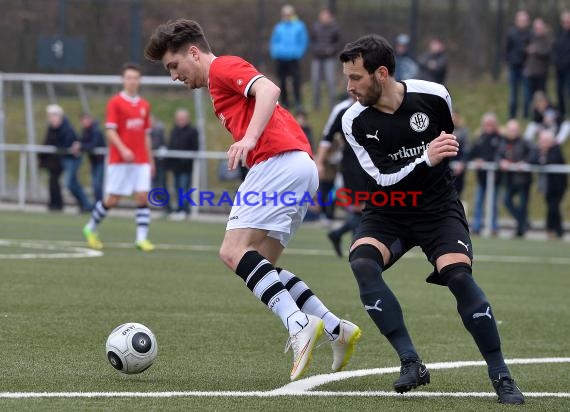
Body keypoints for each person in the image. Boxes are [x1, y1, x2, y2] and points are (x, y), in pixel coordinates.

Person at [144, 18, 361, 381]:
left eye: (174, 66)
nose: (174, 76)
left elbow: (270, 90)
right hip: (299, 166)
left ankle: (298, 324)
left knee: (231, 251)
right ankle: (337, 330)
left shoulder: (224, 67)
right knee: (261, 264)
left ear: (193, 53)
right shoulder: (215, 85)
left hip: (278, 161)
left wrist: (249, 138)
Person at [339, 34, 524, 404]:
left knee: (458, 275)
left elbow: (446, 150)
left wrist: (434, 159)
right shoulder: (354, 121)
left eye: (355, 78)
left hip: (438, 210)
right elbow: (383, 177)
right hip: (387, 210)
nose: (349, 87)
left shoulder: (434, 95)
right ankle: (410, 361)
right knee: (362, 262)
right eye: (347, 78)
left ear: (381, 74)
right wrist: (427, 159)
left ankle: (501, 375)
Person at [82, 63, 156, 252]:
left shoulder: (144, 105)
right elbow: (110, 131)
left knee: (142, 196)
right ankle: (90, 228)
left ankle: (141, 239)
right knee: (113, 199)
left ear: (139, 81)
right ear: (123, 80)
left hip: (141, 161)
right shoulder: (115, 103)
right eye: (128, 78)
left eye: (135, 78)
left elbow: (146, 134)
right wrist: (123, 149)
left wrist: (150, 159)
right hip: (120, 160)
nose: (132, 81)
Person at [315, 95, 369, 257]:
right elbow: (327, 137)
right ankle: (357, 249)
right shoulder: (343, 111)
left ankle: (339, 235)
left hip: (374, 166)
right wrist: (320, 162)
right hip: (353, 166)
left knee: (367, 208)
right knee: (363, 207)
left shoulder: (377, 106)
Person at [40, 104, 92, 213]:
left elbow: (67, 143)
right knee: (62, 182)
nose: (51, 118)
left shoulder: (66, 128)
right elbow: (49, 142)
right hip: (62, 158)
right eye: (50, 116)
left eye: (53, 115)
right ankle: (83, 205)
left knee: (70, 183)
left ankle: (86, 205)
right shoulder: (52, 129)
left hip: (72, 159)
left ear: (59, 116)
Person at [498, 119, 534, 237]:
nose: (512, 132)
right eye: (510, 130)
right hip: (510, 179)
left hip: (523, 180)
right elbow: (497, 155)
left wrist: (524, 163)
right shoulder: (503, 142)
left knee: (523, 206)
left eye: (514, 130)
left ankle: (521, 230)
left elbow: (534, 155)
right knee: (507, 201)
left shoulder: (525, 142)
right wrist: (501, 162)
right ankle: (523, 223)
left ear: (518, 130)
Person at [468, 112, 503, 236]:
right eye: (486, 124)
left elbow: (498, 155)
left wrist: (484, 160)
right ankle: (477, 226)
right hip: (481, 177)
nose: (488, 127)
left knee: (493, 203)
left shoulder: (499, 138)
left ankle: (493, 227)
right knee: (478, 202)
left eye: (490, 124)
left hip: (494, 178)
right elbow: (471, 152)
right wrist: (474, 160)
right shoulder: (479, 138)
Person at [269, 4, 308, 110]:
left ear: (292, 14)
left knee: (296, 80)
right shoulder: (279, 26)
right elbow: (274, 41)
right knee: (282, 80)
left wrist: (298, 53)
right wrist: (275, 52)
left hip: (293, 58)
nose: (286, 16)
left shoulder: (299, 26)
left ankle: (298, 102)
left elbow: (303, 41)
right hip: (281, 58)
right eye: (284, 14)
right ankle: (285, 102)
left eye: (288, 14)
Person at [534, 129, 567, 239]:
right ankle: (556, 230)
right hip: (548, 186)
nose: (542, 143)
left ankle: (552, 229)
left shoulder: (556, 150)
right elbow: (534, 159)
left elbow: (549, 161)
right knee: (552, 207)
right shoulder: (541, 150)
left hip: (558, 186)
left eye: (544, 141)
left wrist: (542, 157)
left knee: (553, 207)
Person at [168, 108, 199, 219]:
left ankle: (185, 210)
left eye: (183, 118)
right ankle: (178, 209)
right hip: (176, 167)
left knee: (184, 188)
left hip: (186, 167)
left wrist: (185, 159)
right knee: (177, 188)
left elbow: (195, 148)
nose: (181, 120)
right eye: (179, 118)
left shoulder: (192, 131)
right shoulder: (174, 130)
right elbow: (171, 145)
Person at [310, 8, 342, 111]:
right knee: (315, 82)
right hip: (316, 58)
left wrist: (332, 50)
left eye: (326, 16)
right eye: (322, 16)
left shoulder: (335, 28)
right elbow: (311, 41)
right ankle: (316, 106)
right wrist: (315, 49)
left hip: (330, 59)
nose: (324, 18)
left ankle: (333, 106)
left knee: (330, 82)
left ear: (330, 17)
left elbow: (339, 43)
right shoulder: (315, 27)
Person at [505, 10, 532, 119]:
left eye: (524, 20)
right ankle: (512, 115)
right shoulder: (511, 33)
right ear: (516, 21)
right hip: (513, 67)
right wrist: (509, 61)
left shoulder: (530, 34)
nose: (522, 22)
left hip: (525, 67)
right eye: (520, 20)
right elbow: (507, 49)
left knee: (526, 94)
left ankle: (526, 115)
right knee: (513, 94)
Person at [523, 17, 552, 117]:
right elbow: (525, 53)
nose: (537, 29)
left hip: (541, 73)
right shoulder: (531, 38)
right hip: (530, 72)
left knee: (541, 96)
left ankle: (542, 114)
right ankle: (529, 115)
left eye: (539, 27)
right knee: (528, 96)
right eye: (536, 27)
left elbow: (547, 53)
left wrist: (536, 50)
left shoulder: (547, 39)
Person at [79, 113, 106, 204]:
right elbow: (82, 141)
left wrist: (81, 146)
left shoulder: (95, 131)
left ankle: (100, 204)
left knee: (98, 184)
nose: (84, 122)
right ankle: (97, 204)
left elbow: (92, 145)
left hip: (101, 161)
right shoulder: (85, 131)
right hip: (94, 161)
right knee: (95, 184)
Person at [552, 10, 570, 118]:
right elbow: (554, 49)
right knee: (559, 92)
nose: (567, 24)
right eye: (565, 22)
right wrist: (555, 61)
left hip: (569, 68)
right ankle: (562, 113)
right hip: (559, 69)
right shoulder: (559, 34)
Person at [451, 110, 469, 198]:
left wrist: (462, 163)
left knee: (458, 194)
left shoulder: (463, 132)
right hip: (446, 168)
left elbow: (466, 150)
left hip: (459, 168)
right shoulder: (443, 130)